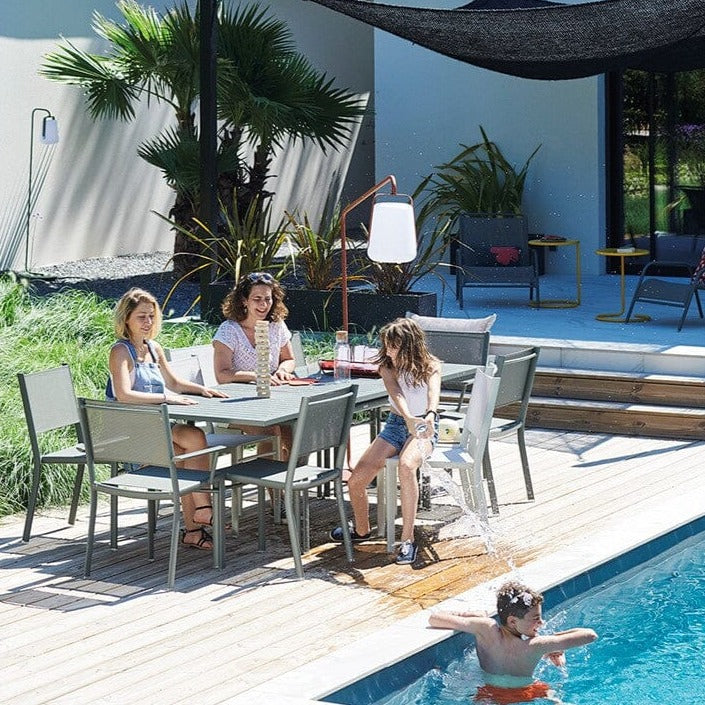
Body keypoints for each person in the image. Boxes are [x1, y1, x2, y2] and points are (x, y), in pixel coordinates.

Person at [108, 287, 228, 551]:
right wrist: (167, 398)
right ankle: (201, 513)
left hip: (156, 428)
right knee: (189, 447)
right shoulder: (120, 351)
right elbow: (124, 394)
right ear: (126, 319)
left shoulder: (153, 348)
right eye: (141, 317)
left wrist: (202, 389)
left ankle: (195, 526)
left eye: (151, 316)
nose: (148, 322)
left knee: (192, 443)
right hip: (132, 437)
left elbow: (173, 382)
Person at [329, 317, 441, 565]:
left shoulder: (431, 365)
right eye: (387, 345)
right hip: (396, 424)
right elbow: (396, 393)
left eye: (394, 346)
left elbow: (433, 394)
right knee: (357, 480)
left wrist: (429, 416)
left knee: (406, 466)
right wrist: (408, 418)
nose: (388, 351)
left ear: (410, 345)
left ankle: (408, 540)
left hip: (424, 426)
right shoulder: (387, 366)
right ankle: (361, 530)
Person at [428, 580, 598, 703]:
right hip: (527, 692)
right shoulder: (536, 645)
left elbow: (434, 619)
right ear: (512, 621)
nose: (541, 623)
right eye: (536, 618)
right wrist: (554, 640)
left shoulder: (485, 628)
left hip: (488, 694)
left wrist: (471, 616)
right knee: (555, 697)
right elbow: (590, 635)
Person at [212, 271, 297, 461]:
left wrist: (283, 370)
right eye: (257, 299)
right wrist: (255, 376)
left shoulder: (276, 325)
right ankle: (271, 480)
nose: (263, 305)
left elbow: (289, 359)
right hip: (236, 404)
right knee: (272, 431)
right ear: (244, 301)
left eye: (268, 299)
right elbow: (221, 375)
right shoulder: (229, 331)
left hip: (271, 399)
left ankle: (290, 474)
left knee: (296, 428)